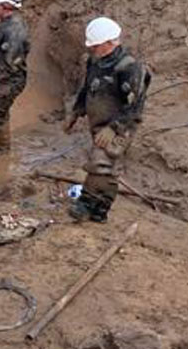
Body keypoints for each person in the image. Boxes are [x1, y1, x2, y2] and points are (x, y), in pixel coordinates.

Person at [64, 16, 151, 223]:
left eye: (96, 46)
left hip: (120, 125)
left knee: (100, 162)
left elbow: (135, 106)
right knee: (108, 171)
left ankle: (85, 204)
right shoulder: (96, 61)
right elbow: (87, 88)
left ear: (110, 43)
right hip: (99, 123)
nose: (92, 50)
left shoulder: (129, 68)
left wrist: (114, 128)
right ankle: (101, 211)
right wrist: (76, 112)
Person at [0, 0, 30, 153]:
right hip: (4, 78)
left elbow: (11, 63)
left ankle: (2, 150)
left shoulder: (14, 31)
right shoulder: (9, 23)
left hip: (8, 81)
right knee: (0, 111)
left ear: (5, 6)